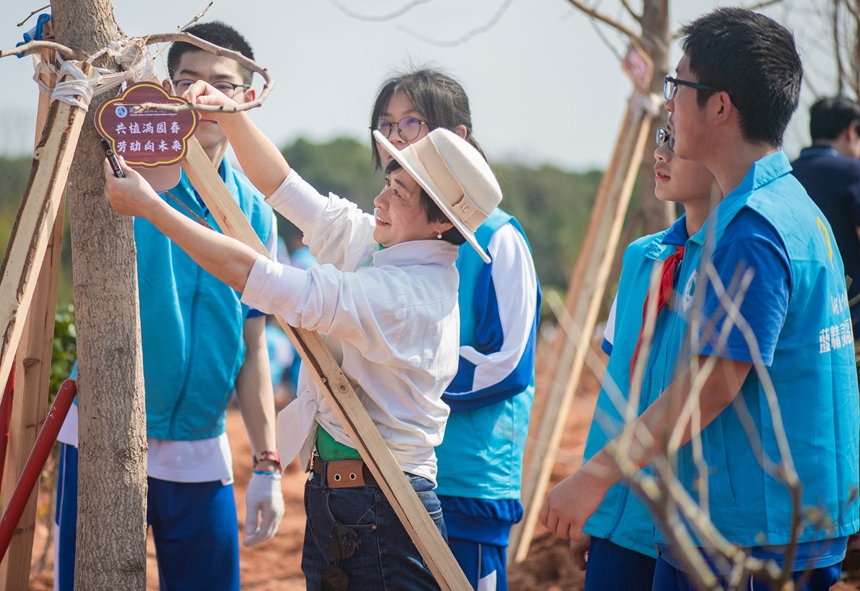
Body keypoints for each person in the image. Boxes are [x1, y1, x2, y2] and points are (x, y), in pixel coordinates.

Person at [102, 70, 504, 590]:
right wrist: (229, 113)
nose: (381, 200)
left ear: (441, 223)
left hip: (385, 503)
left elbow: (261, 279)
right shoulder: (380, 246)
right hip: (345, 498)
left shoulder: (408, 296)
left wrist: (152, 209)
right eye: (388, 183)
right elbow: (283, 187)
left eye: (400, 193)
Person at [540, 8, 860, 591]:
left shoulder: (752, 232)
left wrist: (596, 477)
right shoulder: (787, 211)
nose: (669, 105)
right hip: (751, 526)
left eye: (678, 86)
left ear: (720, 107)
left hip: (750, 535)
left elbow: (710, 385)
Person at [54, 22, 283, 591]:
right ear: (166, 89)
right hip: (103, 435)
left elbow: (253, 341)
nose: (203, 95)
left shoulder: (256, 214)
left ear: (248, 97)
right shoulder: (123, 181)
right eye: (188, 80)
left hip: (200, 449)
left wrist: (267, 462)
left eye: (222, 84)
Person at [369, 69, 540, 591]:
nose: (396, 139)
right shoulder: (384, 232)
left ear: (458, 138)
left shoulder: (498, 239)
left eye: (411, 124)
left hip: (467, 483)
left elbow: (508, 364)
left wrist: (413, 379)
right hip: (395, 474)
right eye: (386, 125)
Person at [575, 125, 719, 590]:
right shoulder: (642, 256)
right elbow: (614, 390)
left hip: (685, 526)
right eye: (662, 136)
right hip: (616, 513)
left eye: (676, 141)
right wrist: (592, 498)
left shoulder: (734, 261)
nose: (660, 153)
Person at [792, 97, 860, 326]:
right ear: (851, 131)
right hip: (850, 313)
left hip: (801, 309)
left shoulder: (788, 174)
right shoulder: (852, 172)